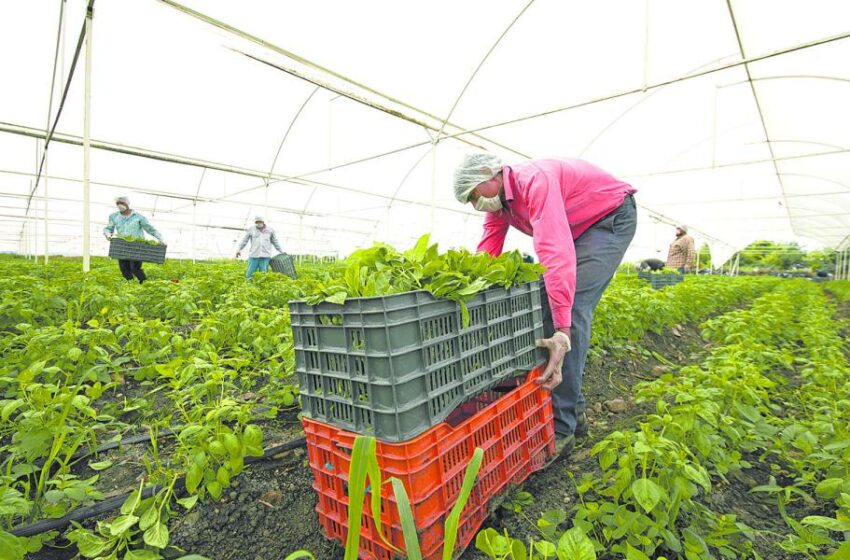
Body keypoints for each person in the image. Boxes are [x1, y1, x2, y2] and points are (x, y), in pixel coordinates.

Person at [453, 154, 637, 458]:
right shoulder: (500, 205)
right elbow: (488, 251)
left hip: (608, 219)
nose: (476, 205)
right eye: (470, 201)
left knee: (571, 306)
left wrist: (562, 332)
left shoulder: (534, 181)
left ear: (491, 174)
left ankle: (562, 430)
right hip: (578, 228)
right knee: (542, 302)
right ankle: (574, 413)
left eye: (474, 195)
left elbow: (554, 250)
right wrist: (469, 287)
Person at [103, 196, 165, 284]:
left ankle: (144, 284)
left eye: (122, 203)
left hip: (136, 246)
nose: (120, 205)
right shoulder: (114, 216)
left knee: (135, 268)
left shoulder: (138, 217)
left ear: (127, 204)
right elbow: (109, 228)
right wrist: (108, 233)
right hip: (122, 246)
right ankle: (130, 286)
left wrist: (160, 237)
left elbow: (149, 228)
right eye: (118, 204)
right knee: (124, 269)